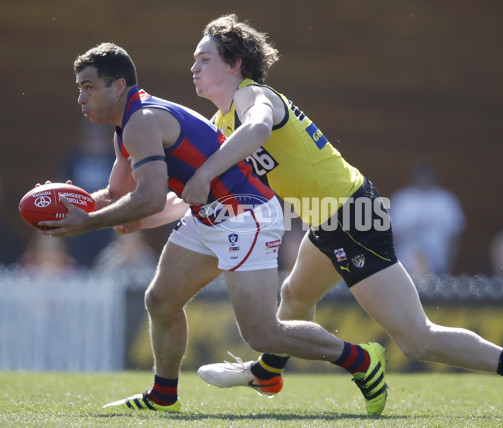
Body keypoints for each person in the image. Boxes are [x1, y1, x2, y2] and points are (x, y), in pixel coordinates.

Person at [183, 14, 503, 417]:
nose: (193, 67)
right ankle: (268, 373)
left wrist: (206, 171)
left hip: (351, 214)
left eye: (204, 59)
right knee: (295, 295)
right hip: (330, 214)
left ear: (234, 65)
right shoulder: (223, 121)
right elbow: (204, 188)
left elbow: (260, 129)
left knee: (416, 339)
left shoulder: (253, 97)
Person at [40, 42, 387, 415]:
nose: (81, 97)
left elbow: (152, 199)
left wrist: (88, 222)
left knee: (262, 334)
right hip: (210, 216)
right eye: (80, 88)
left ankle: (361, 360)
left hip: (246, 215)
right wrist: (66, 205)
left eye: (89, 87)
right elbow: (116, 194)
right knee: (160, 299)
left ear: (118, 86)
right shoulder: (127, 127)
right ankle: (163, 396)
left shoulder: (141, 121)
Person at [389, 161, 465, 277]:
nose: (423, 179)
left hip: (438, 268)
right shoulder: (402, 199)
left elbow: (454, 238)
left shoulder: (445, 200)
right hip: (404, 268)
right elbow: (390, 237)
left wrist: (450, 269)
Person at [57, 120, 116, 268]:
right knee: (80, 261)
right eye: (91, 137)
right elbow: (60, 188)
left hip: (107, 220)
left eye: (98, 137)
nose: (94, 141)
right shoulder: (72, 159)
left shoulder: (114, 160)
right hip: (79, 220)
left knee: (107, 261)